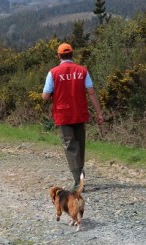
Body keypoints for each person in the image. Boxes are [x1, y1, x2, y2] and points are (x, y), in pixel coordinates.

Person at [42, 43, 103, 191]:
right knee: (80, 145)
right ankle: (80, 178)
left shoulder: (53, 72)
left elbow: (45, 97)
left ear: (58, 56)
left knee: (70, 146)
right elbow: (91, 92)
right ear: (72, 55)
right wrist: (99, 113)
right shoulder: (82, 71)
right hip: (80, 113)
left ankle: (78, 182)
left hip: (63, 115)